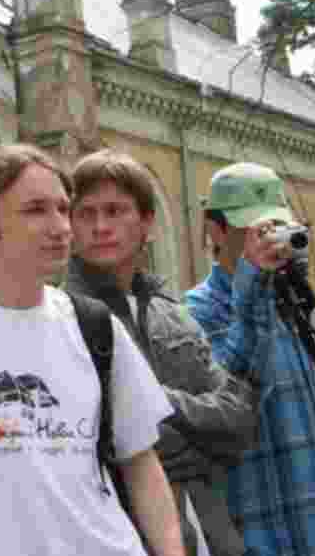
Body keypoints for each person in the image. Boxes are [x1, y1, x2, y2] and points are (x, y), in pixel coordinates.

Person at [0, 143, 185, 556]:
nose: (60, 226)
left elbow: (141, 462)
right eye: (35, 210)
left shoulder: (95, 326)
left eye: (64, 209)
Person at [66, 150, 256, 556]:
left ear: (147, 222)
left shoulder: (173, 312)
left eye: (116, 211)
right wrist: (194, 435)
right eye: (86, 213)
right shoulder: (62, 317)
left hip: (211, 529)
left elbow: (238, 421)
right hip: (120, 533)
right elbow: (99, 442)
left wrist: (152, 404)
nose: (101, 226)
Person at [186, 162, 315, 556]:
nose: (269, 241)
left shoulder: (290, 300)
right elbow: (229, 407)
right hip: (265, 540)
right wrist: (250, 284)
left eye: (275, 227)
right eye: (253, 230)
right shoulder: (197, 313)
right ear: (215, 230)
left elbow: (306, 420)